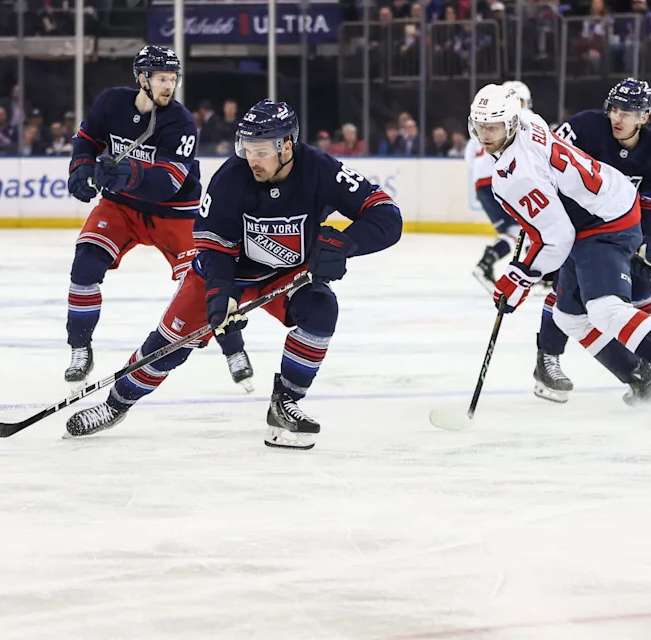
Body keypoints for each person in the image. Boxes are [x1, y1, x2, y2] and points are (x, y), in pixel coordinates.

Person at [64, 99, 403, 449]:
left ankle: (284, 403)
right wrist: (219, 295)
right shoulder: (230, 178)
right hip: (224, 274)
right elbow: (213, 250)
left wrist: (346, 243)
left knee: (321, 311)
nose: (251, 159)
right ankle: (115, 403)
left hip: (285, 275)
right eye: (246, 148)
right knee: (167, 347)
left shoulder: (321, 169)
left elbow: (386, 216)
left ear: (286, 145)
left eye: (261, 150)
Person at [469, 83, 651, 422]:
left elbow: (557, 238)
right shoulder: (531, 122)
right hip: (595, 213)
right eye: (481, 125)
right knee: (569, 316)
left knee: (606, 309)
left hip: (605, 221)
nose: (485, 135)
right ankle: (639, 378)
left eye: (494, 126)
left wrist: (519, 277)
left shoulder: (517, 176)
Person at [64, 46, 236, 389]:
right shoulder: (110, 103)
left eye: (172, 79)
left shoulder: (182, 122)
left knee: (202, 286)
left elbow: (168, 184)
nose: (168, 86)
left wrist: (129, 174)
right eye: (161, 78)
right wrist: (80, 169)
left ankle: (206, 343)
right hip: (120, 208)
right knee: (84, 266)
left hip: (173, 214)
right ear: (141, 78)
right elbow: (86, 141)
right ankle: (80, 348)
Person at [537, 78, 651, 404]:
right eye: (614, 108)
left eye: (628, 112)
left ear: (645, 117)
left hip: (619, 232)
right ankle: (547, 358)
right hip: (574, 227)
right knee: (567, 294)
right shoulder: (584, 127)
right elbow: (542, 166)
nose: (618, 117)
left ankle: (650, 369)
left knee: (639, 285)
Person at [468, 80, 538, 290]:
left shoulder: (485, 120)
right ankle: (535, 272)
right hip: (508, 180)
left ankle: (489, 263)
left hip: (482, 184)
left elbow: (470, 155)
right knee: (529, 228)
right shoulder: (527, 118)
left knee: (515, 231)